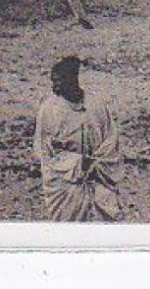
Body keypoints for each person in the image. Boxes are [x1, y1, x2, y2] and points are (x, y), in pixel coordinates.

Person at [33, 56, 123, 222]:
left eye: (59, 81)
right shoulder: (49, 109)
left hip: (98, 177)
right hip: (65, 182)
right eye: (53, 81)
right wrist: (76, 164)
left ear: (72, 79)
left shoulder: (97, 106)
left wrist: (96, 163)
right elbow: (44, 150)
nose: (54, 86)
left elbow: (111, 139)